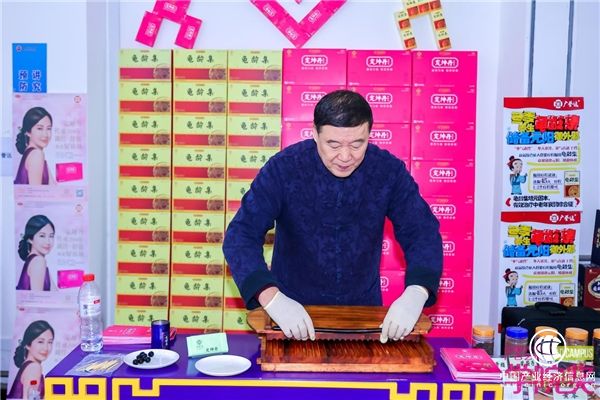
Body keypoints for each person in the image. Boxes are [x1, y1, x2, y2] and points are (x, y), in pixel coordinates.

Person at [223, 90, 442, 343]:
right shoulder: (284, 168)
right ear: (315, 134)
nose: (345, 157)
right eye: (334, 145)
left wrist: (416, 292)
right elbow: (241, 236)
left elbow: (422, 232)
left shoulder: (387, 171)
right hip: (291, 313)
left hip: (364, 315)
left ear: (369, 134)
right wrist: (271, 298)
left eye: (357, 144)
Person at [7, 320, 54, 400]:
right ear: (28, 345)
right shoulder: (34, 367)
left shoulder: (27, 365)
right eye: (40, 342)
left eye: (50, 342)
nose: (46, 348)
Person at [14, 106, 56, 185]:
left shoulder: (32, 153)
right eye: (40, 128)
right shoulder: (36, 154)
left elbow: (53, 187)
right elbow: (35, 191)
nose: (45, 134)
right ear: (28, 132)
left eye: (48, 128)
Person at [16, 215, 56, 291]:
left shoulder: (34, 260)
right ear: (30, 239)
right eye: (42, 236)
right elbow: (37, 297)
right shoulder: (38, 261)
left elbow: (55, 293)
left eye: (51, 236)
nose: (48, 242)